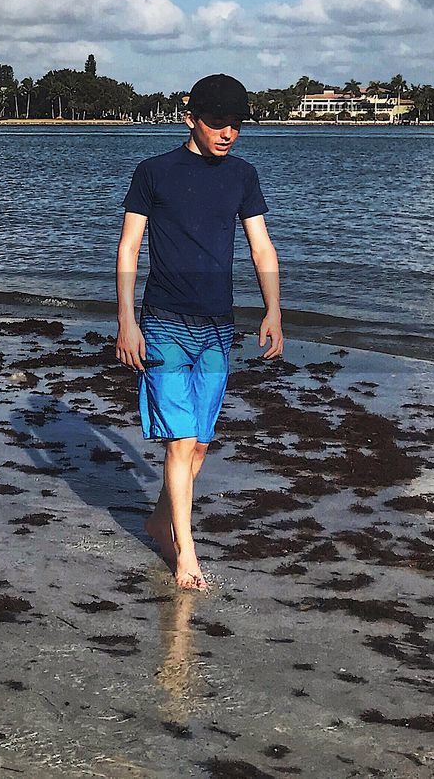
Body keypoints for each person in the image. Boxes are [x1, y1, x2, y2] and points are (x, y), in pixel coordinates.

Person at [114, 74, 283, 591]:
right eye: (217, 123)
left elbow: (261, 247)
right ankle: (185, 553)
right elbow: (128, 249)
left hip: (216, 327)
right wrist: (126, 320)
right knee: (180, 441)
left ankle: (158, 522)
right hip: (164, 324)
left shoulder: (242, 176)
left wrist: (273, 310)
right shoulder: (154, 173)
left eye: (236, 125)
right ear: (191, 118)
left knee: (200, 446)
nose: (227, 132)